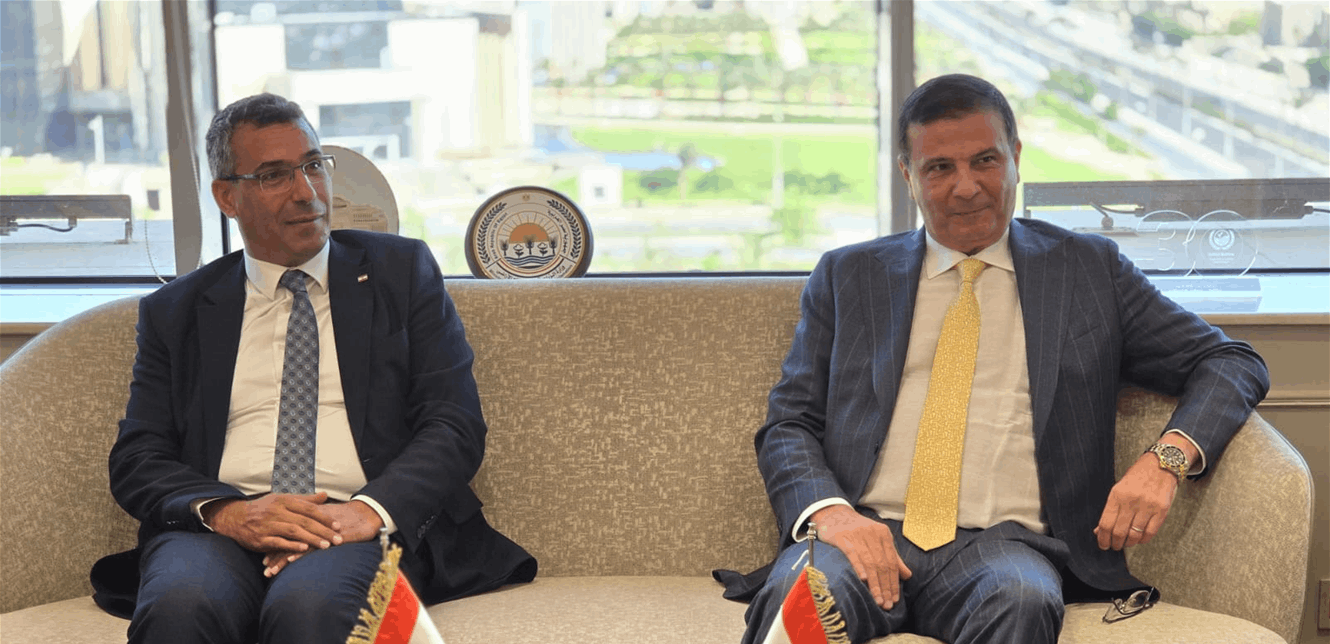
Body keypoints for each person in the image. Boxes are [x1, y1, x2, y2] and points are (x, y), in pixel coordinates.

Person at [718, 74, 1269, 643]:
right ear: (908, 175)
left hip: (1006, 547)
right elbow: (789, 424)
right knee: (804, 595)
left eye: (985, 160)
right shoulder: (849, 275)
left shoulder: (1088, 270)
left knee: (1023, 600)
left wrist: (1165, 460)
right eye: (939, 168)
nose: (967, 187)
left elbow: (1231, 361)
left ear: (1016, 158)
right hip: (863, 533)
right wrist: (834, 516)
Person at [90, 92, 536, 644]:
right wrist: (229, 512)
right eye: (274, 176)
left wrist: (369, 511)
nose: (306, 192)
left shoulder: (400, 272)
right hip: (222, 530)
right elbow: (138, 457)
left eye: (313, 166)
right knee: (180, 608)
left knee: (312, 609)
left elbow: (454, 423)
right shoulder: (176, 311)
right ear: (227, 196)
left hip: (354, 523)